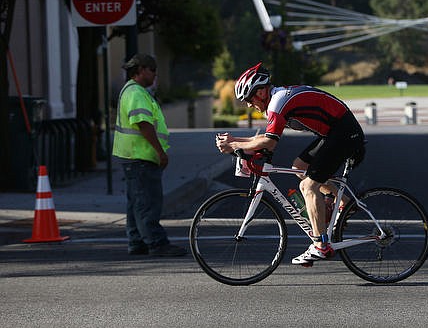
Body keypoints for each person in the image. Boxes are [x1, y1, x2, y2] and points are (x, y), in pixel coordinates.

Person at [216, 62, 365, 266]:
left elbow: (269, 142)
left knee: (308, 185)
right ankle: (344, 202)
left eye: (249, 99)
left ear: (260, 93)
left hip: (344, 134)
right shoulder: (277, 100)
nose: (249, 105)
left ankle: (321, 246)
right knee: (299, 167)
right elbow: (265, 138)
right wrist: (236, 141)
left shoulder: (278, 102)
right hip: (335, 133)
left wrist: (234, 144)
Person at [112, 53, 187, 257]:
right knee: (148, 203)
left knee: (136, 202)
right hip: (141, 156)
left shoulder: (133, 91)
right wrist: (159, 152)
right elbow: (144, 124)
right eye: (153, 69)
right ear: (141, 70)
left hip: (134, 157)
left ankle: (136, 241)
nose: (155, 74)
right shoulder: (136, 92)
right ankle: (156, 242)